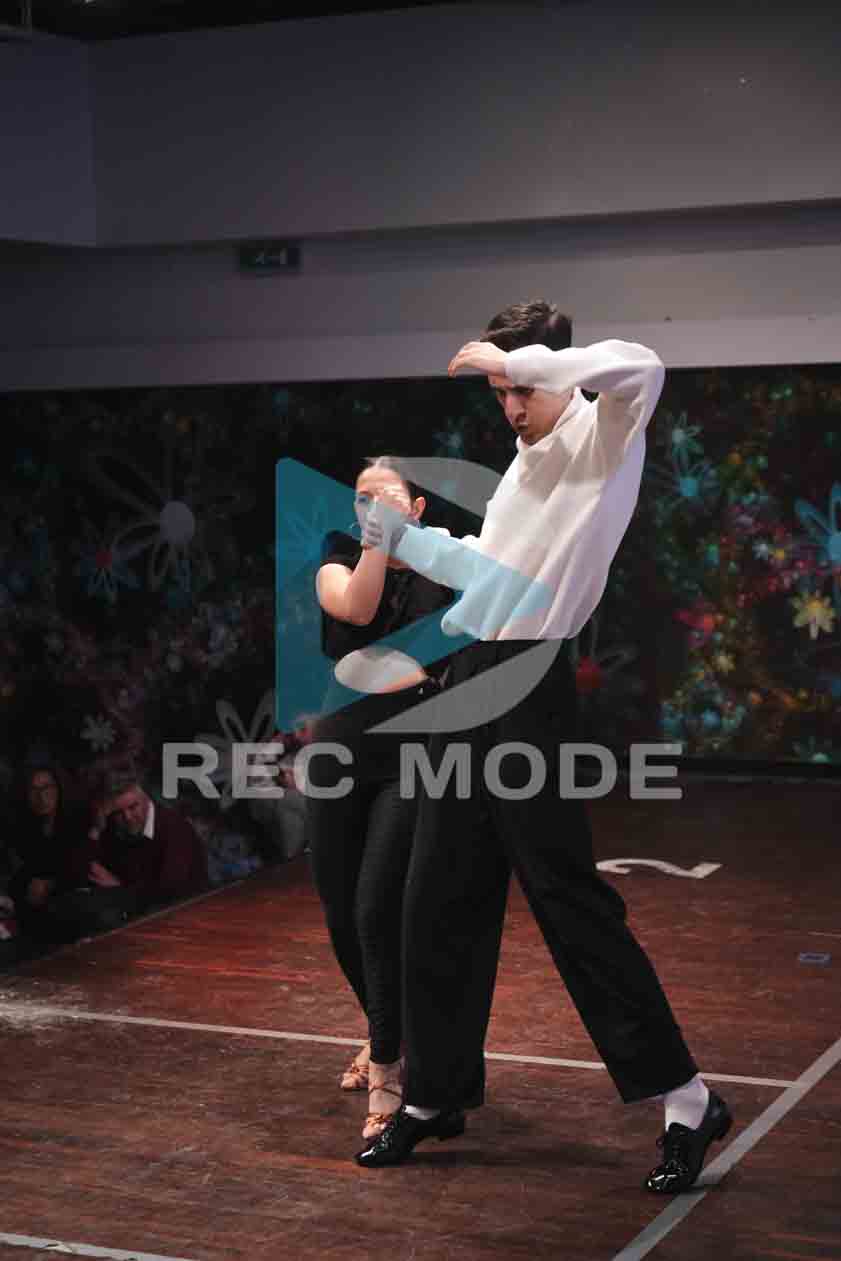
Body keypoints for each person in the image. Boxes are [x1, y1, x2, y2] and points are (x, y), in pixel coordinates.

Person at [353, 302, 732, 1194]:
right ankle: (433, 1093)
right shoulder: (523, 464)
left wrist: (523, 361)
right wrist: (403, 539)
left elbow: (643, 364)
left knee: (567, 902)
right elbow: (487, 572)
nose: (511, 406)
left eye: (519, 387)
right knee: (435, 896)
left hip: (529, 687)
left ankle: (687, 1099)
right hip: (473, 680)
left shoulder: (607, 433)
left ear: (554, 370)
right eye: (499, 393)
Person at [306, 456, 453, 1139]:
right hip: (339, 751)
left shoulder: (443, 571)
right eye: (361, 496)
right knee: (340, 911)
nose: (372, 505)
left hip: (411, 756)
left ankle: (389, 1069)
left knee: (375, 907)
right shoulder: (338, 560)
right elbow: (357, 609)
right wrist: (374, 541)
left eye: (386, 495)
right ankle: (382, 1030)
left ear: (417, 509)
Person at [56, 771, 208, 934]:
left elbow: (170, 891)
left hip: (184, 914)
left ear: (146, 799)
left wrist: (119, 890)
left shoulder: (175, 828)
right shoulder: (115, 825)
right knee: (68, 906)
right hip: (135, 910)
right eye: (118, 812)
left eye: (133, 807)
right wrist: (96, 828)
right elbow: (80, 873)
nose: (127, 817)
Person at [5, 760, 91, 950]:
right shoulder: (23, 831)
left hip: (74, 906)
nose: (42, 796)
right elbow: (20, 879)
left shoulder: (77, 823)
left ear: (59, 789)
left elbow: (82, 870)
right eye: (34, 790)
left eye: (47, 787)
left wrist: (49, 884)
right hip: (37, 912)